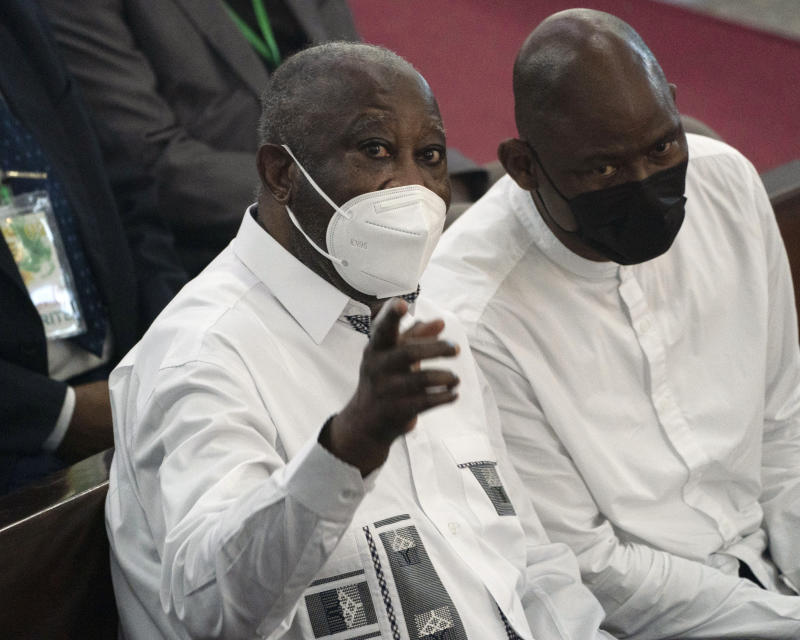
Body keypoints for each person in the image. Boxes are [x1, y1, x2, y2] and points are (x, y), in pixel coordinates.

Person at [423, 9, 800, 640]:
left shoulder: (724, 185)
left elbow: (783, 416)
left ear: (673, 107)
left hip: (790, 563)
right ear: (523, 165)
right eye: (601, 170)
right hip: (655, 623)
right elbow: (592, 570)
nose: (646, 185)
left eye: (661, 148)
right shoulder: (475, 316)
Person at [106, 42, 613, 639]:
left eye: (430, 156)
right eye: (375, 150)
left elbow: (527, 561)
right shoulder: (203, 353)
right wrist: (347, 449)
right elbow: (214, 609)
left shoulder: (429, 321)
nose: (413, 187)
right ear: (282, 174)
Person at [38, 0, 488, 275]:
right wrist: (350, 195)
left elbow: (370, 92)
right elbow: (156, 165)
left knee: (519, 200)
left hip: (366, 189)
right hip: (234, 237)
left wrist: (448, 181)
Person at [0, 0, 186, 494]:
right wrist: (60, 415)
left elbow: (122, 191)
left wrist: (172, 341)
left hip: (125, 376)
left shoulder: (18, 21)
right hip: (22, 438)